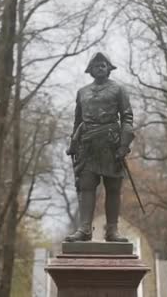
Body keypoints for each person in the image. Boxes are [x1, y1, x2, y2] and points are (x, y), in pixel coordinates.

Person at [64, 52, 134, 242]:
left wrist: (124, 145)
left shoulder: (119, 90)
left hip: (111, 145)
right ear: (90, 70)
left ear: (109, 68)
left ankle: (112, 230)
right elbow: (77, 121)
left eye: (104, 65)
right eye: (96, 65)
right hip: (88, 146)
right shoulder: (82, 92)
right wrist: (74, 143)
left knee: (113, 187)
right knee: (86, 186)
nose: (100, 68)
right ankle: (85, 228)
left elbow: (127, 118)